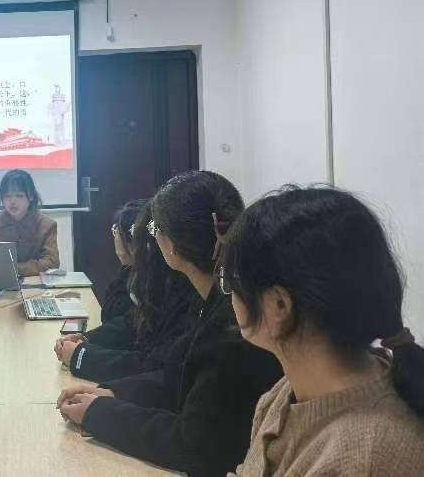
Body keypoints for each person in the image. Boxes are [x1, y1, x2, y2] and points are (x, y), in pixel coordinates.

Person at [56, 171, 282, 477]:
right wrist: (113, 394)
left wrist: (101, 415)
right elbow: (179, 380)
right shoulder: (216, 301)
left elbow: (194, 445)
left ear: (172, 246)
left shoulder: (231, 324)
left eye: (154, 229)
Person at [223, 187, 424, 475]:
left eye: (231, 283)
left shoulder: (367, 457)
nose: (230, 296)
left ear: (279, 305)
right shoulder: (286, 393)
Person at [54, 200, 198, 382]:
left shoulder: (176, 289)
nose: (114, 236)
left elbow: (153, 366)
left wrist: (81, 356)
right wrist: (87, 339)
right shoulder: (155, 277)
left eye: (118, 231)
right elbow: (134, 322)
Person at [0, 169, 59, 276]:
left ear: (31, 196)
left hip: (34, 282)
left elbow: (52, 262)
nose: (12, 201)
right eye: (7, 196)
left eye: (19, 196)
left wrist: (13, 269)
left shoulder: (47, 225)